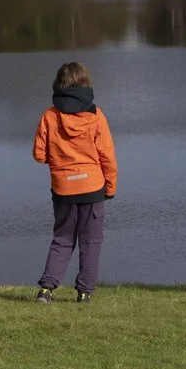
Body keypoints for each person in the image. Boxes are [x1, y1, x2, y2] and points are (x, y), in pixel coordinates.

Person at [30, 59, 117, 303]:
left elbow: (38, 154)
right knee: (91, 241)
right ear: (86, 84)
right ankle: (84, 292)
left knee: (62, 239)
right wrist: (110, 187)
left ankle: (46, 289)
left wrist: (58, 159)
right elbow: (107, 156)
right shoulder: (96, 116)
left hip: (63, 188)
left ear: (59, 84)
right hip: (92, 188)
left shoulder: (49, 116)